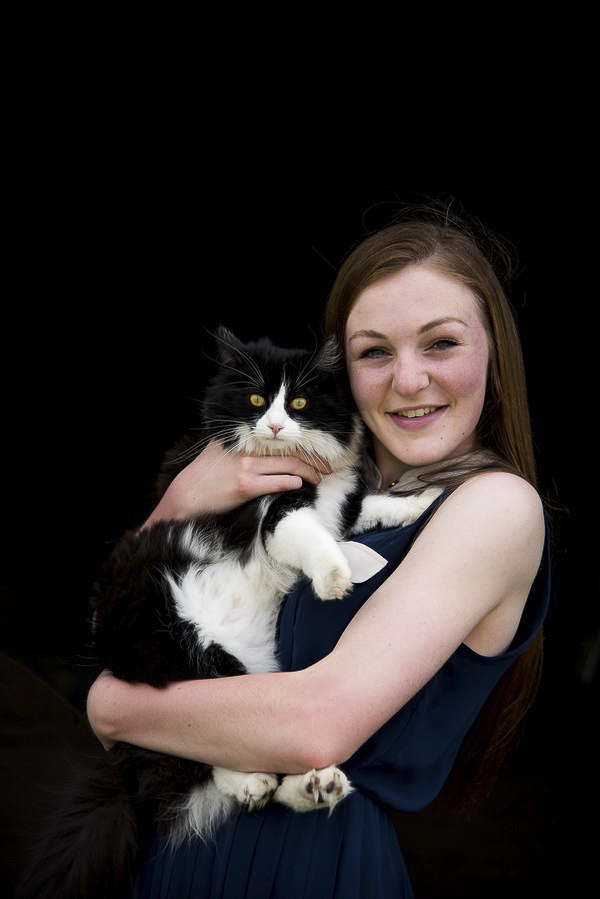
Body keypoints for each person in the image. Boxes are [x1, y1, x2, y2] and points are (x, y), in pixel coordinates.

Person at [86, 210, 550, 897]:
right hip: (183, 853)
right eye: (374, 352)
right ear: (339, 370)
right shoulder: (311, 487)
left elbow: (316, 724)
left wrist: (111, 707)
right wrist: (180, 502)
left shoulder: (496, 507)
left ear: (495, 356)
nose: (409, 379)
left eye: (441, 343)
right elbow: (122, 631)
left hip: (310, 862)